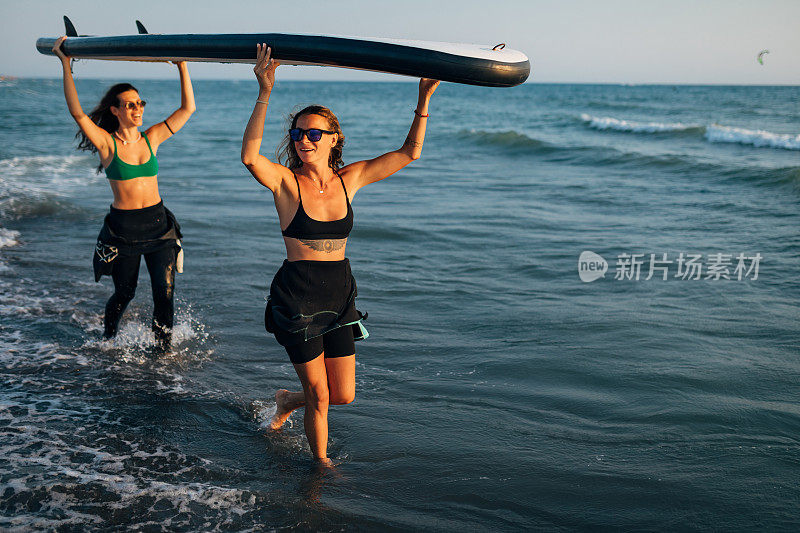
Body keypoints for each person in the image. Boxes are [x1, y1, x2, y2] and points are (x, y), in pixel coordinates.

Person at [241, 44, 439, 465]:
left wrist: (423, 99)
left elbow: (409, 153)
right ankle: (320, 470)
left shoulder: (351, 179)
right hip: (297, 297)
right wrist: (265, 90)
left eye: (314, 134)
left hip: (339, 295)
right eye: (297, 134)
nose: (304, 141)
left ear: (334, 139)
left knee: (342, 394)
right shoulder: (285, 183)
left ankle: (284, 401)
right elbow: (249, 157)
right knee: (321, 396)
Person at [52, 36, 196, 349]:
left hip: (159, 225)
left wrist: (182, 65)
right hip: (124, 230)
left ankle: (162, 355)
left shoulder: (152, 137)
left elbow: (188, 108)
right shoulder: (107, 144)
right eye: (130, 104)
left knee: (165, 293)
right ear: (116, 110)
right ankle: (108, 340)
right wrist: (66, 65)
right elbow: (78, 113)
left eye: (140, 103)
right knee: (125, 292)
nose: (138, 108)